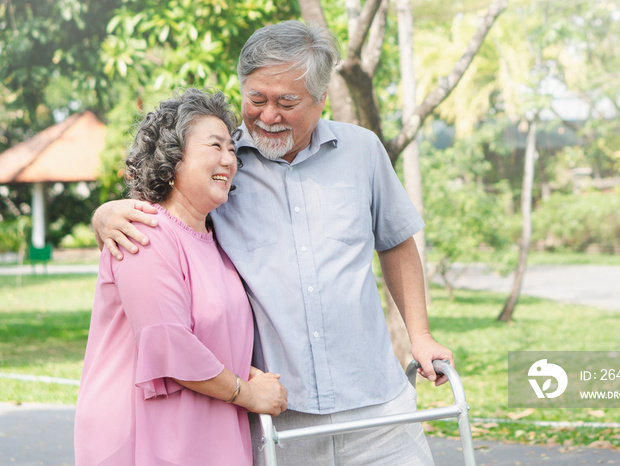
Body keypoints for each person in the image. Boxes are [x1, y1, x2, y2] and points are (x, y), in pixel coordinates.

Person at [93, 21, 453, 465]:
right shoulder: (220, 167)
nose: (267, 115)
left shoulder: (363, 151)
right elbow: (168, 209)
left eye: (287, 102)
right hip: (278, 416)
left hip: (377, 406)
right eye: (256, 99)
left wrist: (420, 336)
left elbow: (395, 241)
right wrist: (106, 212)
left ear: (321, 100)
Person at [74, 88, 287, 466]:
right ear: (173, 157)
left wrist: (251, 376)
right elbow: (168, 344)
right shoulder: (145, 232)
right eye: (215, 146)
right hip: (150, 441)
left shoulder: (215, 241)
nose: (229, 160)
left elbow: (212, 340)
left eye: (232, 150)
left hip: (208, 433)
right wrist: (248, 393)